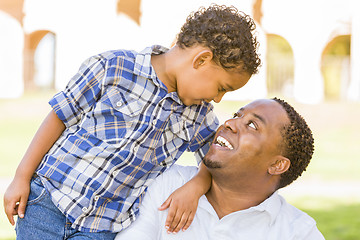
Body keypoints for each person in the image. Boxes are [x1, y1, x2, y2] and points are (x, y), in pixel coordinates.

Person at [3, 4, 261, 239]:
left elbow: (214, 159)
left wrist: (196, 186)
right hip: (47, 201)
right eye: (221, 87)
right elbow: (59, 116)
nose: (217, 99)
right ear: (201, 60)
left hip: (102, 227)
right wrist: (21, 177)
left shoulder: (199, 115)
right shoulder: (113, 67)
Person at [116, 98, 325, 240]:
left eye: (252, 126)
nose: (230, 123)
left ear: (277, 165)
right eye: (237, 115)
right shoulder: (167, 184)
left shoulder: (298, 233)